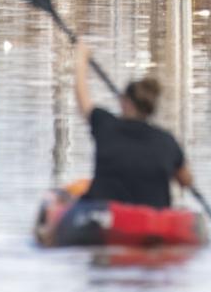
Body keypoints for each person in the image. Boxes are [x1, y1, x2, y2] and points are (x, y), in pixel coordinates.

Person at [71, 43, 194, 208]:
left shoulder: (106, 125)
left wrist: (81, 58)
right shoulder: (166, 141)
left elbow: (82, 97)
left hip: (105, 217)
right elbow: (185, 181)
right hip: (153, 223)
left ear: (125, 103)